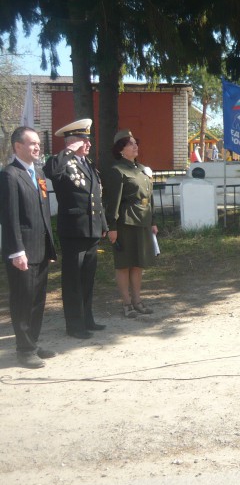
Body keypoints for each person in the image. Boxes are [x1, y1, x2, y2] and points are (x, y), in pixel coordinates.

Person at [44, 119, 108, 339]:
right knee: (73, 281)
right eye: (84, 139)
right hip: (73, 230)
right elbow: (50, 170)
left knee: (87, 279)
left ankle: (87, 319)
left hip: (91, 229)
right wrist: (68, 151)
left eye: (88, 139)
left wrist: (103, 224)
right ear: (72, 141)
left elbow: (95, 196)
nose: (88, 143)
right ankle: (74, 325)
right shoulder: (63, 163)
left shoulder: (87, 163)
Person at [0, 127, 57, 368]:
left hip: (41, 248)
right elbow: (10, 217)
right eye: (31, 143)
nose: (37, 147)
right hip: (22, 252)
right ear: (17, 147)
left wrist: (50, 248)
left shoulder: (39, 173)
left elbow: (43, 214)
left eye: (38, 143)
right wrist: (16, 251)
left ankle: (32, 343)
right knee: (23, 301)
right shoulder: (10, 175)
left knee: (37, 300)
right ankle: (24, 350)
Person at [104, 130, 158, 318]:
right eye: (130, 144)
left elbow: (149, 198)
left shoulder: (142, 169)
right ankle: (126, 303)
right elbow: (113, 202)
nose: (135, 146)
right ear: (121, 150)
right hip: (126, 222)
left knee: (138, 263)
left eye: (136, 143)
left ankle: (138, 300)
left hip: (143, 221)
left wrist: (153, 221)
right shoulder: (117, 170)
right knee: (124, 264)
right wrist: (112, 227)